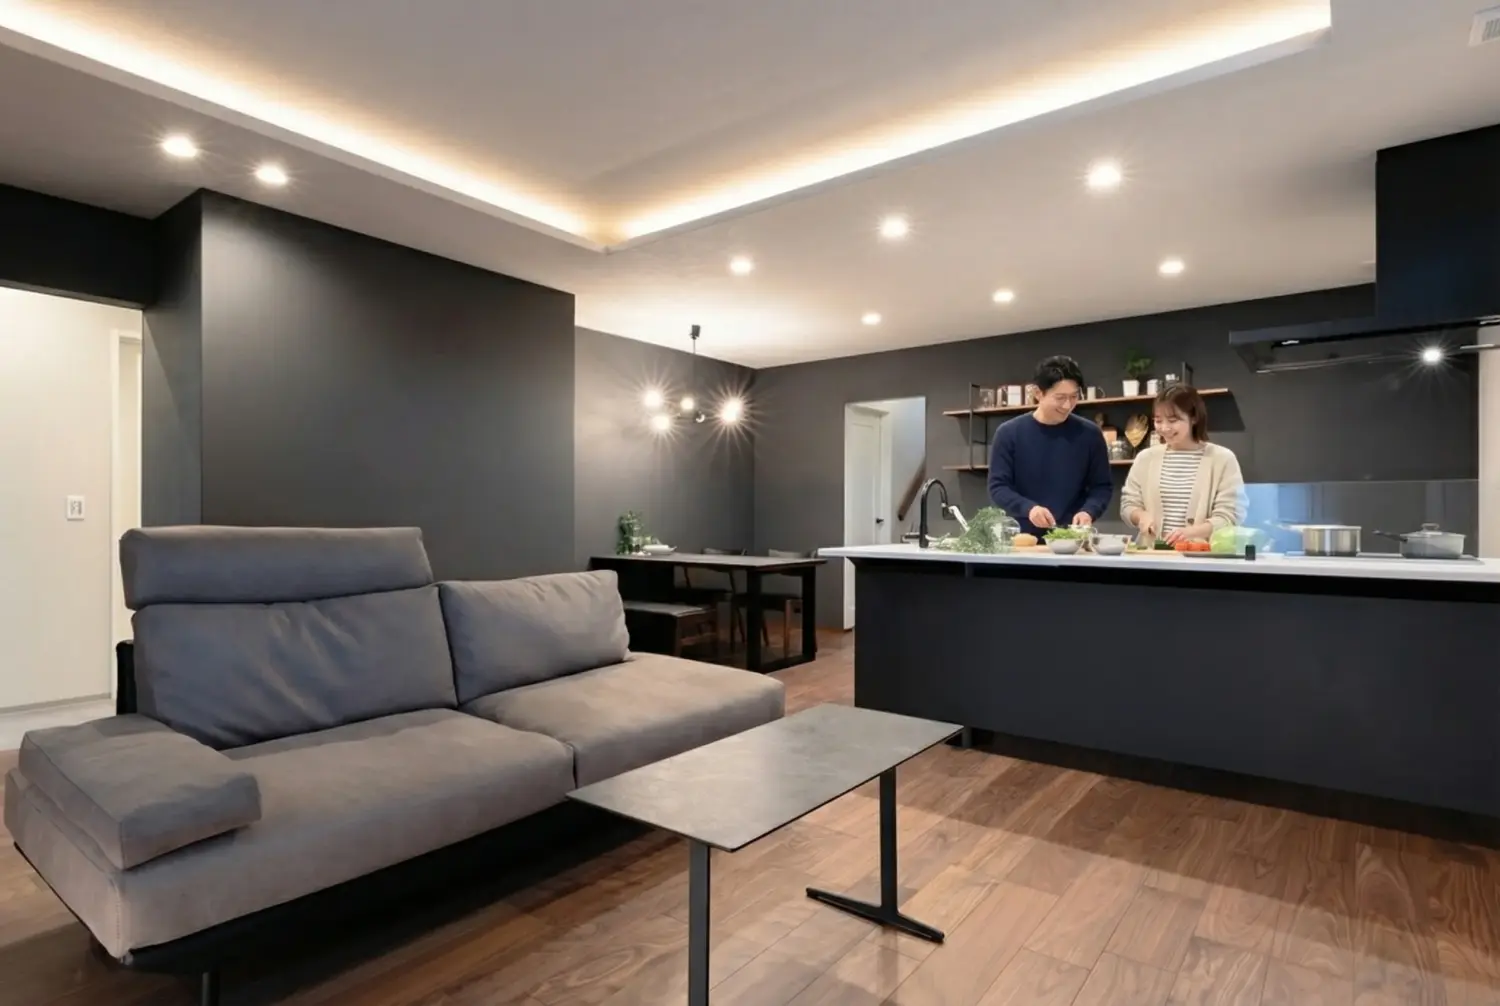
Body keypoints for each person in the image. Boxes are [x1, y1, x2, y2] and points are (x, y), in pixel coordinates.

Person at [988, 355, 1113, 536]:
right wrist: (1029, 508)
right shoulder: (1009, 433)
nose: (1067, 405)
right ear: (1038, 393)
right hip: (1021, 538)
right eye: (1060, 397)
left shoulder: (1090, 434)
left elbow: (1102, 487)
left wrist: (1088, 511)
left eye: (1074, 397)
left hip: (1072, 537)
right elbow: (998, 487)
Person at [1121, 384, 1246, 542]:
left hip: (1200, 554)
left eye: (1173, 420)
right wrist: (1141, 516)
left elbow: (1230, 515)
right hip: (1151, 553)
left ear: (1194, 418)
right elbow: (1128, 505)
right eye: (1158, 421)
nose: (1164, 428)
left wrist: (1192, 533)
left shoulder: (1223, 459)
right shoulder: (1145, 458)